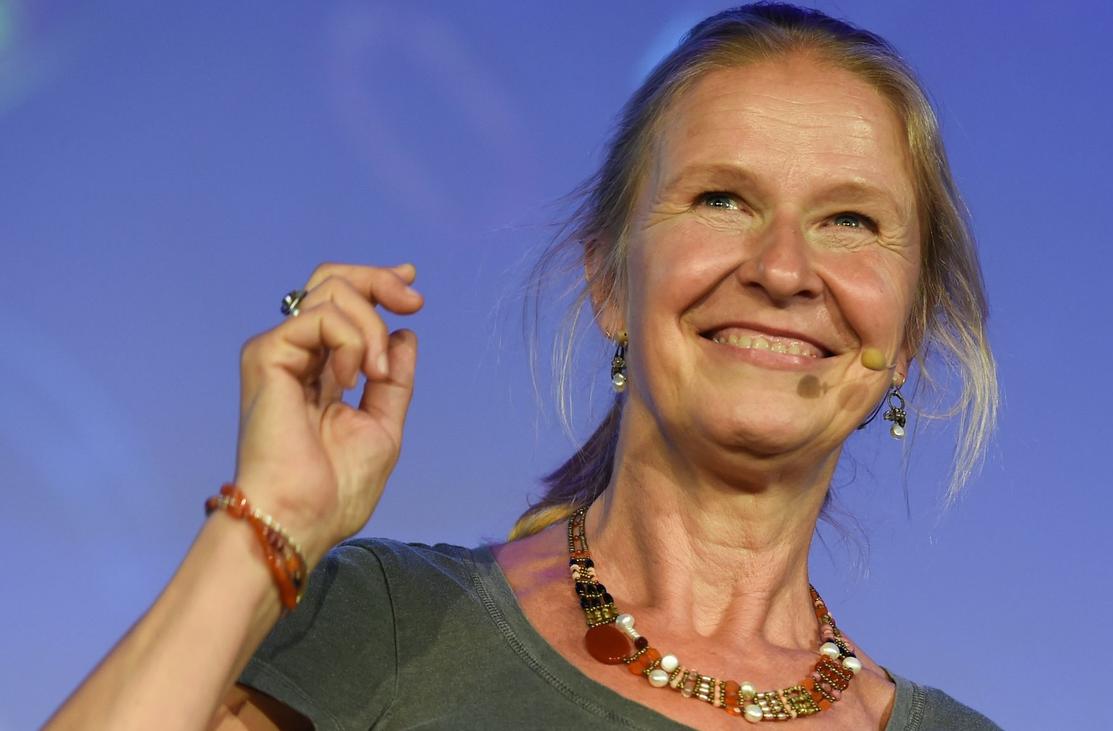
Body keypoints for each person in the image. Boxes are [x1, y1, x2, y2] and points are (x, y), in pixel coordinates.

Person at [47, 4, 1001, 729]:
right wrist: (264, 528)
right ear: (609, 280)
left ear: (910, 332)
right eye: (721, 199)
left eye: (850, 220)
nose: (784, 269)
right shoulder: (388, 631)